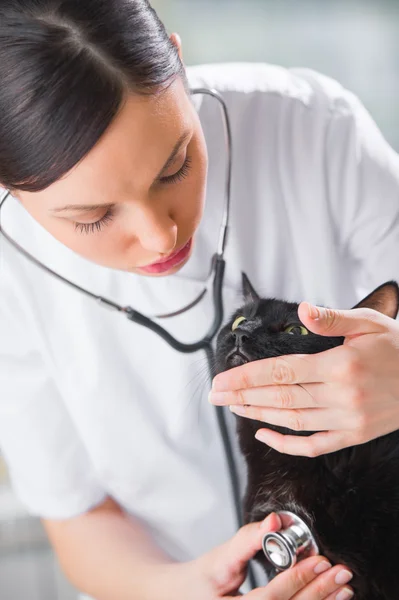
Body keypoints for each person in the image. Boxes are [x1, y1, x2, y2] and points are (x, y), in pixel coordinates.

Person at [0, 0, 398, 598]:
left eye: (176, 164)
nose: (161, 235)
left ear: (180, 65)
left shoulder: (312, 126)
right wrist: (185, 590)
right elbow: (77, 514)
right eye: (94, 216)